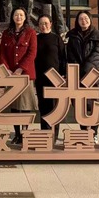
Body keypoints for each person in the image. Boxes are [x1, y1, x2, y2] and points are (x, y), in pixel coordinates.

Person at [0, 7, 37, 145]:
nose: (18, 17)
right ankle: (17, 134)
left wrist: (21, 69)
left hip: (25, 74)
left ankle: (25, 133)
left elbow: (32, 53)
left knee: (25, 104)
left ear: (25, 17)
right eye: (16, 15)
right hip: (11, 74)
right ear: (12, 17)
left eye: (21, 15)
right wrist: (7, 69)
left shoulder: (31, 32)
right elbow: (2, 53)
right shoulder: (6, 33)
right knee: (14, 104)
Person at [65, 10, 99, 141]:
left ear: (90, 20)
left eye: (86, 18)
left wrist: (85, 69)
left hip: (94, 76)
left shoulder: (98, 36)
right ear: (77, 21)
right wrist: (75, 70)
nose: (84, 21)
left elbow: (98, 55)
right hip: (77, 76)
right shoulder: (72, 36)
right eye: (81, 19)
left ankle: (94, 132)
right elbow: (70, 55)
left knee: (96, 103)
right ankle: (83, 132)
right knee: (79, 104)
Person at [34, 14, 66, 142]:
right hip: (40, 77)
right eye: (41, 23)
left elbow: (63, 58)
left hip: (55, 78)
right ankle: (45, 133)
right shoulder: (36, 39)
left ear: (51, 24)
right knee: (43, 106)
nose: (43, 26)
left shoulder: (56, 39)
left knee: (55, 106)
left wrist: (63, 74)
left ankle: (54, 134)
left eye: (46, 23)